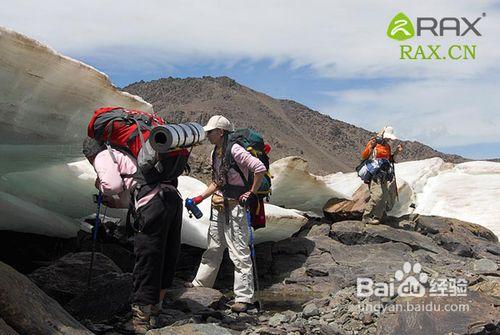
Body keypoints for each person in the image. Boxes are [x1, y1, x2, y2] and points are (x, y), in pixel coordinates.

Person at [82, 137, 182, 334]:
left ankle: (141, 319)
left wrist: (99, 185)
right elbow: (129, 195)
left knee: (148, 259)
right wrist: (116, 204)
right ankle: (156, 309)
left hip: (153, 204)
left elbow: (112, 186)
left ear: (89, 154)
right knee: (167, 253)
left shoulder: (103, 155)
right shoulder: (132, 154)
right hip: (172, 198)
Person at [187, 115, 267, 313]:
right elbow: (218, 181)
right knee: (214, 246)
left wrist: (251, 193)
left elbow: (259, 168)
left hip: (236, 207)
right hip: (220, 205)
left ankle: (244, 297)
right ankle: (201, 284)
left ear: (220, 132)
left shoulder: (235, 150)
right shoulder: (217, 151)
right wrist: (200, 198)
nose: (207, 135)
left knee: (239, 252)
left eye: (210, 132)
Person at [361, 126, 403, 225]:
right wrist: (371, 146)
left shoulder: (387, 147)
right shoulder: (374, 143)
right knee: (377, 196)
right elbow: (364, 156)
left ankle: (377, 217)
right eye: (388, 137)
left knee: (384, 197)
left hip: (383, 175)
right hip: (374, 174)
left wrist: (397, 152)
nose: (389, 139)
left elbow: (390, 160)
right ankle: (366, 216)